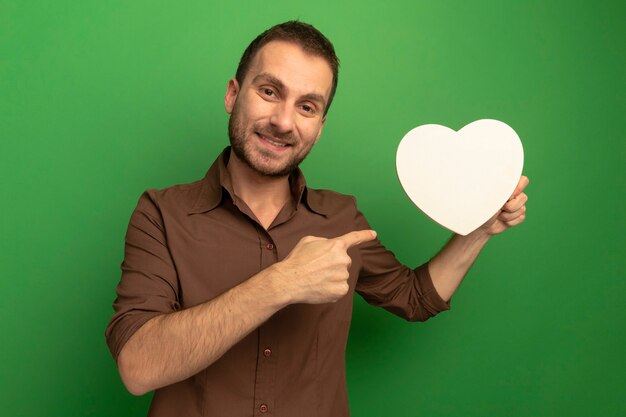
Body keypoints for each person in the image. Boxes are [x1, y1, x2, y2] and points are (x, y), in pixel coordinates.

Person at [105, 21, 529, 417]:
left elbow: (415, 297)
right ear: (233, 94)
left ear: (320, 125)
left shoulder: (342, 218)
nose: (283, 121)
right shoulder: (162, 214)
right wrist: (282, 282)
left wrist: (480, 230)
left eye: (307, 106)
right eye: (269, 91)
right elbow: (138, 367)